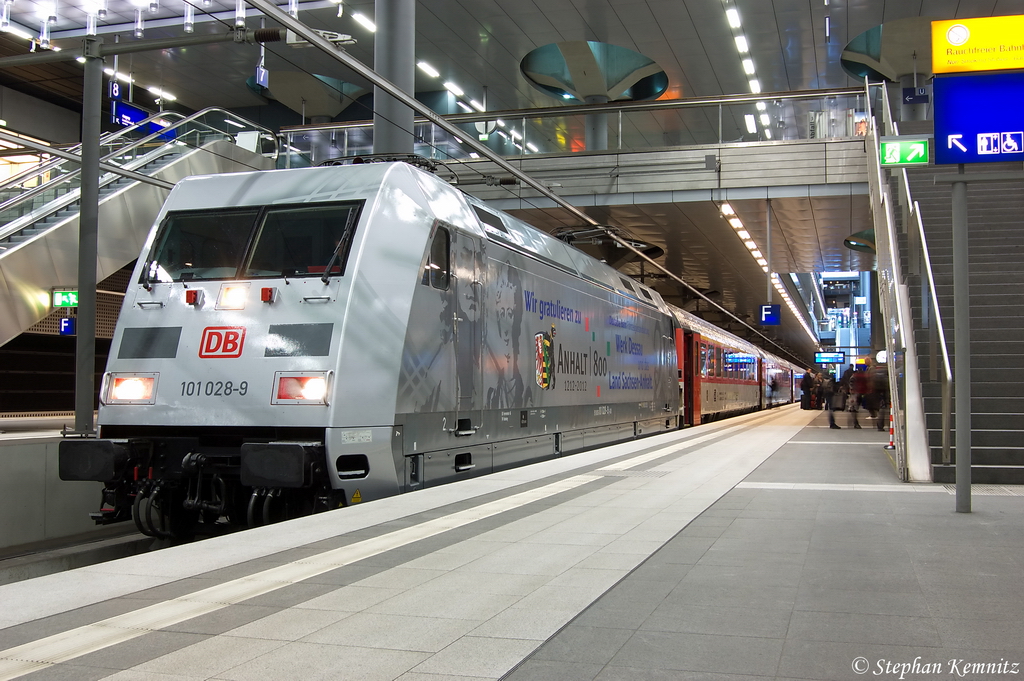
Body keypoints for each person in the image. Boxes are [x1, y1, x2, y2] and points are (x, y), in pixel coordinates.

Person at [848, 365, 869, 429]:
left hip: (855, 393)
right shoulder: (865, 376)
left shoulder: (854, 376)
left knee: (854, 408)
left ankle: (855, 422)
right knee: (858, 407)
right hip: (863, 392)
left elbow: (851, 383)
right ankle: (855, 422)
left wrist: (852, 390)